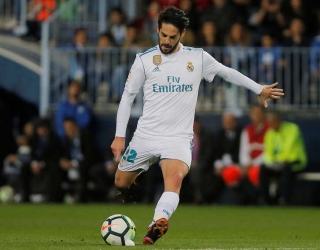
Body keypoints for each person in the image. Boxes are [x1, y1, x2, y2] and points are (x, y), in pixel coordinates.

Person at [110, 6, 284, 245]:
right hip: (146, 136)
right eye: (163, 35)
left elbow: (228, 73)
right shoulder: (144, 60)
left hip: (178, 138)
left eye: (172, 37)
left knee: (174, 180)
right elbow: (127, 97)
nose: (167, 41)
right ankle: (139, 170)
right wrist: (120, 136)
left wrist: (259, 89)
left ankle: (157, 223)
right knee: (120, 182)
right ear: (157, 30)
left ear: (182, 33)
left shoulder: (197, 57)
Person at [259, 112, 307, 205]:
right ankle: (266, 199)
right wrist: (271, 163)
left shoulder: (292, 129)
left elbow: (289, 148)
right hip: (278, 163)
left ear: (278, 121)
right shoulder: (269, 133)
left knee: (286, 168)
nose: (270, 125)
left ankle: (284, 199)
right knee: (263, 168)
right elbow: (268, 152)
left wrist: (281, 160)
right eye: (269, 123)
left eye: (272, 122)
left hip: (296, 161)